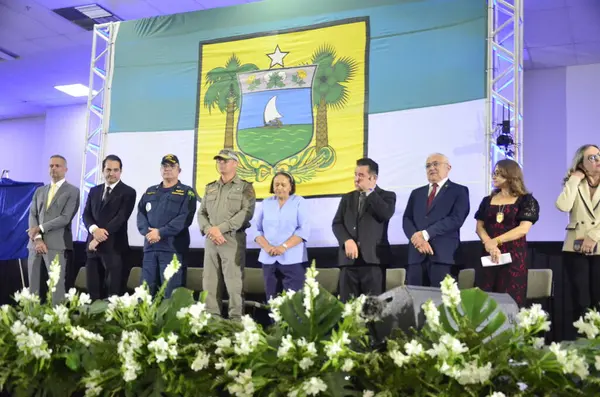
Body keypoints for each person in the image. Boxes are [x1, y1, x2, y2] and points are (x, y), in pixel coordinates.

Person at [198, 149, 256, 320]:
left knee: (234, 284)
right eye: (219, 161)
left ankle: (236, 322)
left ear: (235, 163)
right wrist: (210, 230)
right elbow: (201, 213)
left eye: (225, 161)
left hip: (232, 240)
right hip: (211, 241)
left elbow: (247, 213)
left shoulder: (245, 187)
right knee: (209, 282)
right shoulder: (210, 188)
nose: (221, 164)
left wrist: (221, 228)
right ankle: (213, 321)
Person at [475, 159, 539, 306]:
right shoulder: (487, 200)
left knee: (510, 301)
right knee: (485, 301)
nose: (494, 176)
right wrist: (489, 244)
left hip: (513, 258)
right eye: (494, 173)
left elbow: (523, 229)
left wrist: (495, 241)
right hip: (489, 255)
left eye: (498, 173)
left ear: (511, 175)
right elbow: (479, 227)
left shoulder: (526, 200)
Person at [332, 158, 396, 302]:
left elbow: (385, 214)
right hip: (348, 261)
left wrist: (369, 191)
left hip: (373, 261)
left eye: (361, 175)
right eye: (355, 174)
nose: (356, 179)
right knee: (347, 308)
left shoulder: (387, 196)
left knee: (373, 310)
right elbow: (337, 224)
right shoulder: (347, 198)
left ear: (373, 178)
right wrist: (346, 240)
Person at [403, 153, 470, 287]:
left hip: (443, 257)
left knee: (441, 302)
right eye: (428, 165)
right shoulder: (417, 193)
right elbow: (407, 219)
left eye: (435, 164)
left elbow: (456, 219)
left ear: (448, 168)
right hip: (417, 257)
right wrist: (417, 240)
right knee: (415, 302)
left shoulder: (459, 191)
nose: (431, 168)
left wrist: (425, 234)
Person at [137, 154, 196, 297]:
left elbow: (184, 218)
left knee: (170, 293)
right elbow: (141, 214)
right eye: (164, 166)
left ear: (179, 170)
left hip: (172, 250)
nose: (167, 169)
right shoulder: (150, 191)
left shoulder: (187, 192)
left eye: (172, 166)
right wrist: (148, 232)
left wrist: (160, 232)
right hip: (150, 248)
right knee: (145, 292)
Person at [556, 144, 600, 337]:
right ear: (581, 162)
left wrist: (594, 236)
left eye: (599, 156)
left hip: (598, 245)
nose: (597, 160)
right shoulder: (575, 181)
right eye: (591, 157)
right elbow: (563, 206)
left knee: (598, 301)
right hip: (575, 248)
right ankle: (582, 346)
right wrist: (574, 180)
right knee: (580, 301)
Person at [26, 155, 80, 304]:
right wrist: (37, 238)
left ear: (65, 169)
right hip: (35, 244)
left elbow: (65, 217)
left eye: (57, 166)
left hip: (56, 245)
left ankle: (57, 322)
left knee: (56, 288)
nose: (53, 168)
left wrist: (40, 228)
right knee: (33, 288)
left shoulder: (73, 191)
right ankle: (32, 321)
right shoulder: (40, 191)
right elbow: (32, 214)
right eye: (51, 166)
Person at [83, 155, 136, 300]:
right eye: (108, 169)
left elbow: (120, 218)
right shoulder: (94, 191)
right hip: (92, 249)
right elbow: (86, 215)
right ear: (102, 170)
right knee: (93, 293)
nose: (111, 173)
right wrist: (94, 231)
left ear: (120, 171)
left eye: (115, 170)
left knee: (112, 296)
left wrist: (98, 239)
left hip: (114, 250)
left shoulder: (128, 192)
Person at [254, 171, 310, 299]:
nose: (279, 188)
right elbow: (256, 229)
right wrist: (267, 247)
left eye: (283, 185)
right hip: (268, 258)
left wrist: (283, 247)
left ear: (291, 186)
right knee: (272, 299)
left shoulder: (299, 202)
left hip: (293, 259)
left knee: (294, 300)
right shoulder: (266, 203)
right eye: (276, 184)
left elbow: (303, 230)